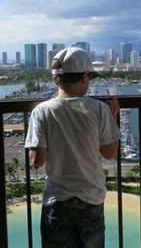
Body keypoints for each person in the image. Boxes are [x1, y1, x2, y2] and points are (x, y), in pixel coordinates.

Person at [25, 47, 120, 248]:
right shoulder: (100, 109)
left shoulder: (41, 111)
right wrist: (113, 118)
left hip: (57, 201)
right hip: (91, 201)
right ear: (84, 77)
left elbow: (36, 161)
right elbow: (110, 153)